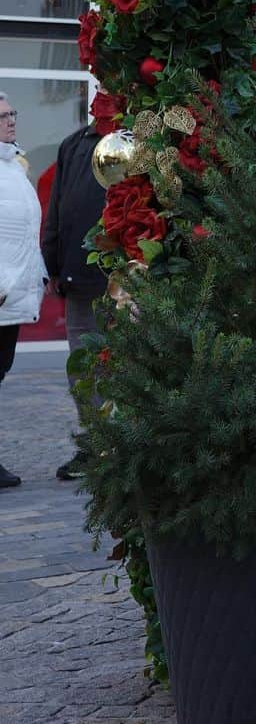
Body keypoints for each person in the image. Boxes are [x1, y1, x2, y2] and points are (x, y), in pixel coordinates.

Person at [41, 120, 108, 480]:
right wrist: (52, 263)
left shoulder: (138, 138)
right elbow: (58, 209)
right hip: (79, 277)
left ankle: (126, 446)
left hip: (126, 278)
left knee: (122, 365)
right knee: (82, 367)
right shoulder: (73, 144)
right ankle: (94, 444)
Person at [0, 93, 49, 488]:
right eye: (3, 116)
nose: (11, 120)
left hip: (12, 295)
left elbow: (28, 234)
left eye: (13, 112)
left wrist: (40, 275)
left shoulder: (15, 167)